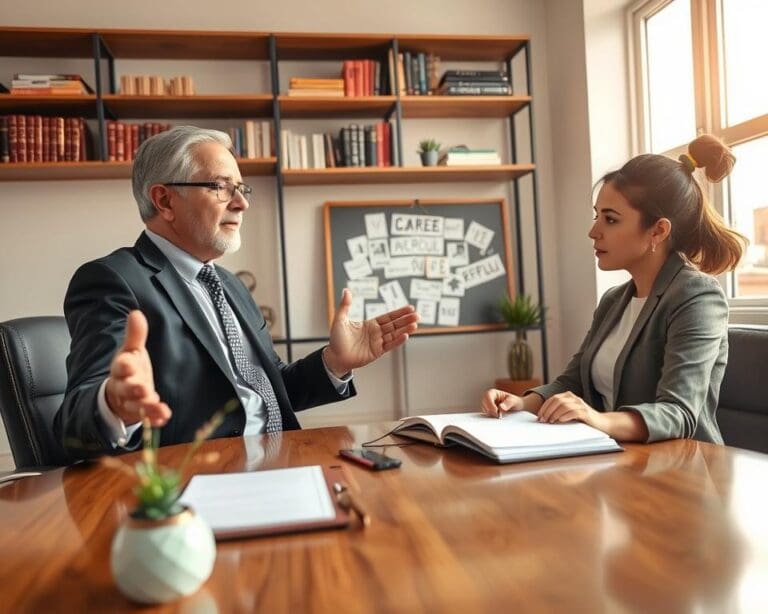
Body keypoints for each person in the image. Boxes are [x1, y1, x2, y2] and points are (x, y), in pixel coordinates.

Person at [54, 126, 418, 460]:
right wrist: (115, 405)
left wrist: (335, 362)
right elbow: (74, 421)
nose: (241, 203)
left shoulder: (229, 284)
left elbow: (269, 390)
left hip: (280, 463)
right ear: (165, 201)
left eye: (241, 189)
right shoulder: (112, 280)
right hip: (196, 485)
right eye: (220, 187)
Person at [481, 134, 746, 443]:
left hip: (679, 473)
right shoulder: (614, 300)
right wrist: (520, 404)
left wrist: (595, 419)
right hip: (618, 463)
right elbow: (573, 382)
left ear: (658, 230)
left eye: (610, 219)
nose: (594, 231)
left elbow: (678, 413)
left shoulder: (697, 297)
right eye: (597, 216)